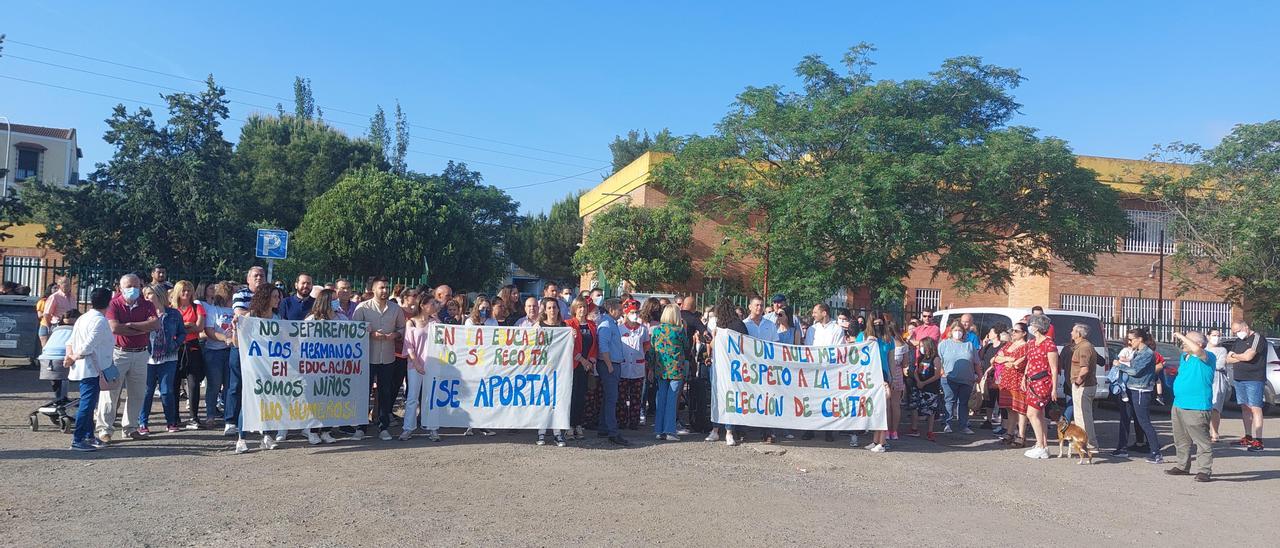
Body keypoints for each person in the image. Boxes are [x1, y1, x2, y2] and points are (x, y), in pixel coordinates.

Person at [96, 274, 160, 443]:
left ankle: (130, 428)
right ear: (120, 288)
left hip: (141, 353)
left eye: (136, 286)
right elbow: (115, 328)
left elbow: (155, 324)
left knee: (137, 393)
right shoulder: (114, 304)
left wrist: (131, 325)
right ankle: (105, 429)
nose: (133, 289)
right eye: (129, 286)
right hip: (118, 353)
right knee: (110, 393)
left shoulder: (147, 304)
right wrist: (142, 328)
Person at [352, 277, 406, 442]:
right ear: (373, 290)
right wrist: (369, 333)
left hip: (388, 357)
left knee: (385, 392)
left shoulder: (395, 309)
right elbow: (353, 330)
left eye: (386, 287)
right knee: (363, 392)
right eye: (381, 287)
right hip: (367, 357)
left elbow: (402, 328)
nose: (384, 290)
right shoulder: (363, 308)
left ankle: (383, 426)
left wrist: (395, 335)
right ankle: (361, 427)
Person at [64, 288, 116, 451]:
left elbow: (71, 340)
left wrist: (71, 355)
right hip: (92, 367)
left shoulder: (83, 317)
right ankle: (78, 439)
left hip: (86, 366)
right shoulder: (100, 320)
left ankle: (88, 435)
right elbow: (89, 344)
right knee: (87, 404)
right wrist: (74, 356)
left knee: (90, 402)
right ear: (108, 302)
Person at [1167, 331, 1215, 482]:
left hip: (1197, 406)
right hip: (1179, 403)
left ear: (1199, 343)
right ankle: (1182, 465)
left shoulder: (1207, 357)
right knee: (1181, 438)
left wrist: (1181, 335)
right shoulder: (1184, 357)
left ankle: (1204, 470)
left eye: (1187, 340)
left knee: (1202, 441)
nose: (1183, 343)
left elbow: (1198, 352)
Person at [1113, 328, 1163, 463]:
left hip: (1141, 390)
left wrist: (1119, 365)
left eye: (1131, 340)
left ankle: (1156, 453)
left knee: (1144, 421)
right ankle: (1121, 448)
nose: (1129, 343)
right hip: (1130, 388)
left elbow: (1135, 371)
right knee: (1125, 418)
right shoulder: (1137, 352)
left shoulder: (1147, 353)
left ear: (1139, 339)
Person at [139, 284, 183, 434]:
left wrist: (176, 343)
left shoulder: (173, 314)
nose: (146, 297)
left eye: (149, 294)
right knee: (147, 391)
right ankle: (142, 422)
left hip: (169, 357)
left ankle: (171, 422)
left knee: (166, 391)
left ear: (158, 295)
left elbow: (182, 332)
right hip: (147, 357)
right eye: (144, 294)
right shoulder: (143, 313)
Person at [802, 303, 844, 443]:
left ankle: (829, 430)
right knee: (812, 398)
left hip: (829, 369)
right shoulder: (812, 329)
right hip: (814, 368)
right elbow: (808, 348)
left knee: (829, 400)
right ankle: (810, 428)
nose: (813, 314)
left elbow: (838, 350)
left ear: (824, 313)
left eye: (815, 312)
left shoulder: (837, 329)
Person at [1019, 315, 1060, 460]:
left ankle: (1040, 445)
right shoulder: (1031, 343)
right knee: (1039, 415)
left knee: (1032, 414)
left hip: (1043, 382)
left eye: (1031, 324)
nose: (1030, 326)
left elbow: (1054, 368)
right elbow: (1029, 361)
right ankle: (1042, 445)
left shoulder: (1049, 344)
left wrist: (1054, 388)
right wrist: (1024, 377)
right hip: (1031, 381)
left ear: (1037, 327)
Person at [710, 298, 748, 445]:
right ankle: (729, 432)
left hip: (721, 367)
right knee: (731, 397)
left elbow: (713, 345)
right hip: (734, 367)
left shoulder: (718, 326)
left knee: (719, 397)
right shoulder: (739, 325)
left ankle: (715, 430)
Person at [1226, 319, 1268, 452]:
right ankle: (1248, 436)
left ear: (1245, 327)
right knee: (1245, 407)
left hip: (1254, 379)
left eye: (1238, 331)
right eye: (1234, 332)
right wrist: (1240, 356)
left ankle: (1259, 440)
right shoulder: (1238, 341)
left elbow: (1249, 357)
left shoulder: (1257, 338)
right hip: (1239, 378)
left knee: (1255, 408)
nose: (1237, 334)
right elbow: (1228, 358)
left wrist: (1236, 356)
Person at [170, 281, 206, 429]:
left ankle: (194, 416)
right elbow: (171, 329)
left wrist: (183, 327)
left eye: (189, 291)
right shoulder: (172, 308)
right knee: (174, 383)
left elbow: (200, 327)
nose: (186, 294)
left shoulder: (197, 307)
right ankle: (174, 417)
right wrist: (188, 326)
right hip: (175, 347)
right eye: (183, 291)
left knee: (193, 383)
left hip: (192, 347)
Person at [402, 299, 439, 442]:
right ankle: (408, 428)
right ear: (423, 305)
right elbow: (409, 344)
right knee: (412, 397)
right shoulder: (411, 322)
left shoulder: (435, 322)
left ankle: (433, 427)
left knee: (431, 396)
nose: (435, 306)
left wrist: (436, 319)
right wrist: (415, 362)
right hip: (415, 364)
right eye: (432, 303)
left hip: (433, 364)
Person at [651, 304, 688, 441]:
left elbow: (652, 351)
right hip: (676, 369)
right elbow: (686, 346)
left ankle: (659, 430)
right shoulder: (679, 331)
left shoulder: (656, 330)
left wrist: (650, 368)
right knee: (672, 399)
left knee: (661, 399)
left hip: (661, 369)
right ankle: (670, 431)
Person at [595, 298, 630, 445]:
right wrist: (609, 365)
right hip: (609, 364)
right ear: (611, 310)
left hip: (612, 363)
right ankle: (612, 431)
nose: (622, 312)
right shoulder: (606, 325)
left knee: (609, 397)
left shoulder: (611, 324)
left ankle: (604, 427)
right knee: (611, 398)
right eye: (619, 309)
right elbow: (604, 348)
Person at [201, 282, 235, 431]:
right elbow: (208, 331)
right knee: (214, 386)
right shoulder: (213, 310)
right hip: (214, 352)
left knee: (230, 386)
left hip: (232, 352)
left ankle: (229, 417)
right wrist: (224, 338)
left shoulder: (237, 310)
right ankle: (210, 415)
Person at [938, 321, 981, 436]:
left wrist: (979, 376)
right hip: (949, 378)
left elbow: (976, 363)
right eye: (955, 330)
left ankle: (963, 425)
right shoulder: (944, 344)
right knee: (949, 401)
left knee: (964, 403)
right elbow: (939, 360)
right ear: (951, 332)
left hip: (967, 379)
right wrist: (941, 371)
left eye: (960, 330)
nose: (958, 333)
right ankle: (947, 423)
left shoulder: (969, 345)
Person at [565, 298, 598, 441]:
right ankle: (569, 425)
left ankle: (578, 424)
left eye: (584, 307)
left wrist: (591, 360)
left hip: (586, 366)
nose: (582, 310)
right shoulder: (569, 324)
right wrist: (582, 359)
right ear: (574, 309)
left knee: (582, 395)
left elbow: (595, 345)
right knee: (572, 396)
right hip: (574, 364)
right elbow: (568, 346)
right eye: (579, 307)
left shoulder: (591, 325)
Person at [616, 300, 650, 432]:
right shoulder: (619, 329)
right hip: (624, 367)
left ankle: (634, 421)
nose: (634, 314)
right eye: (631, 312)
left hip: (638, 368)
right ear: (626, 313)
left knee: (636, 397)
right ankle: (622, 420)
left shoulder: (643, 330)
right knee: (622, 396)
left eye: (636, 312)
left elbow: (646, 346)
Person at [994, 323, 1029, 447]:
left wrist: (1007, 359)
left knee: (1020, 409)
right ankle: (1010, 433)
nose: (1013, 333)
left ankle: (1021, 435)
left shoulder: (1026, 346)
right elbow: (996, 358)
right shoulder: (1009, 344)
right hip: (1006, 380)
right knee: (1009, 408)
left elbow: (1020, 362)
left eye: (1016, 331)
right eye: (1012, 331)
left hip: (1018, 380)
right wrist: (1010, 359)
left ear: (1024, 333)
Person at [1067, 323, 1099, 449]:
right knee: (1081, 416)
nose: (1071, 333)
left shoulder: (1084, 347)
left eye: (1073, 331)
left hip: (1084, 386)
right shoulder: (1080, 346)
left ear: (1079, 333)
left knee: (1083, 418)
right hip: (1084, 386)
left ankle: (1089, 445)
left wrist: (1077, 382)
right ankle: (1085, 444)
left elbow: (1084, 369)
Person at [38, 309, 79, 404]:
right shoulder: (76, 330)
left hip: (47, 356)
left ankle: (59, 398)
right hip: (61, 355)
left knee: (56, 378)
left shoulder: (56, 330)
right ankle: (63, 399)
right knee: (64, 377)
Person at [909, 337, 944, 441]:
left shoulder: (935, 358)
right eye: (920, 346)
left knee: (931, 411)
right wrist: (918, 381)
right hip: (919, 385)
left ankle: (930, 431)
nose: (921, 348)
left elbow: (937, 375)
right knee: (915, 407)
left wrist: (924, 383)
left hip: (931, 388)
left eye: (923, 346)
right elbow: (916, 371)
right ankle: (914, 428)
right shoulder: (921, 358)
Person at [1205, 329, 1230, 442]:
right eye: (1214, 335)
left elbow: (1220, 365)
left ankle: (1215, 432)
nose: (1216, 337)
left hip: (1217, 379)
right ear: (1208, 336)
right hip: (1204, 379)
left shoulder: (1222, 350)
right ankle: (1204, 432)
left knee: (1215, 407)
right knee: (1204, 406)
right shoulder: (1203, 350)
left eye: (1218, 335)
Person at [41, 276, 74, 346]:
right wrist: (49, 327)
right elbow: (46, 314)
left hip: (70, 326)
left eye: (69, 284)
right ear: (59, 286)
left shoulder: (72, 297)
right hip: (58, 326)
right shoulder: (54, 297)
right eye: (66, 284)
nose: (69, 286)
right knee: (56, 346)